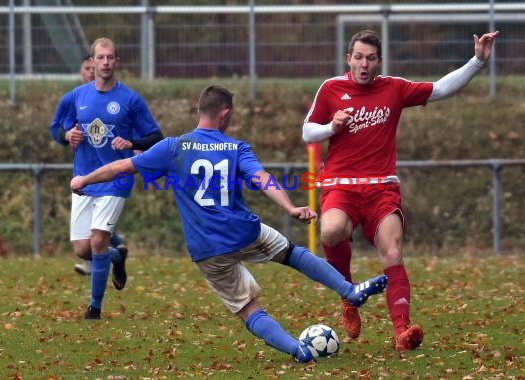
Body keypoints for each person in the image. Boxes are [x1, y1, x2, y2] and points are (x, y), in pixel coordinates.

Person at [70, 85, 388, 362]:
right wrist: (290, 207)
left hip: (207, 249)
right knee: (292, 253)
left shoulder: (173, 147)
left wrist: (85, 178)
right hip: (244, 230)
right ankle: (348, 289)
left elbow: (122, 167)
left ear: (201, 111)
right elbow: (261, 178)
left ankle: (297, 350)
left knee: (249, 308)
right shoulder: (235, 147)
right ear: (224, 114)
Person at [302, 30, 499, 351]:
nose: (364, 64)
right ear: (348, 59)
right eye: (358, 57)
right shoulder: (331, 89)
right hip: (343, 186)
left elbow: (440, 89)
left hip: (381, 189)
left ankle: (402, 332)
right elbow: (308, 132)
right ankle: (348, 296)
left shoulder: (393, 88)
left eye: (370, 58)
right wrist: (331, 128)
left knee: (392, 252)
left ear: (379, 61)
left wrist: (477, 61)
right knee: (331, 231)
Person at [63, 38, 164, 320]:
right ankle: (117, 258)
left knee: (97, 243)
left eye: (110, 58)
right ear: (91, 62)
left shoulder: (130, 99)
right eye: (101, 58)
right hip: (84, 180)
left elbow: (157, 136)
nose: (105, 62)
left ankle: (94, 309)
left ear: (116, 62)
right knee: (83, 249)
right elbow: (64, 129)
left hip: (117, 179)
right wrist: (67, 135)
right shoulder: (78, 96)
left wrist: (130, 141)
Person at [49, 54, 129, 277]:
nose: (91, 72)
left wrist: (133, 145)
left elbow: (127, 128)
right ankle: (114, 253)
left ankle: (95, 297)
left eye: (92, 67)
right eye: (86, 68)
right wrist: (66, 135)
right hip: (82, 172)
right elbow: (55, 130)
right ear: (82, 71)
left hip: (110, 175)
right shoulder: (72, 99)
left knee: (96, 237)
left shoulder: (119, 99)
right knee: (83, 247)